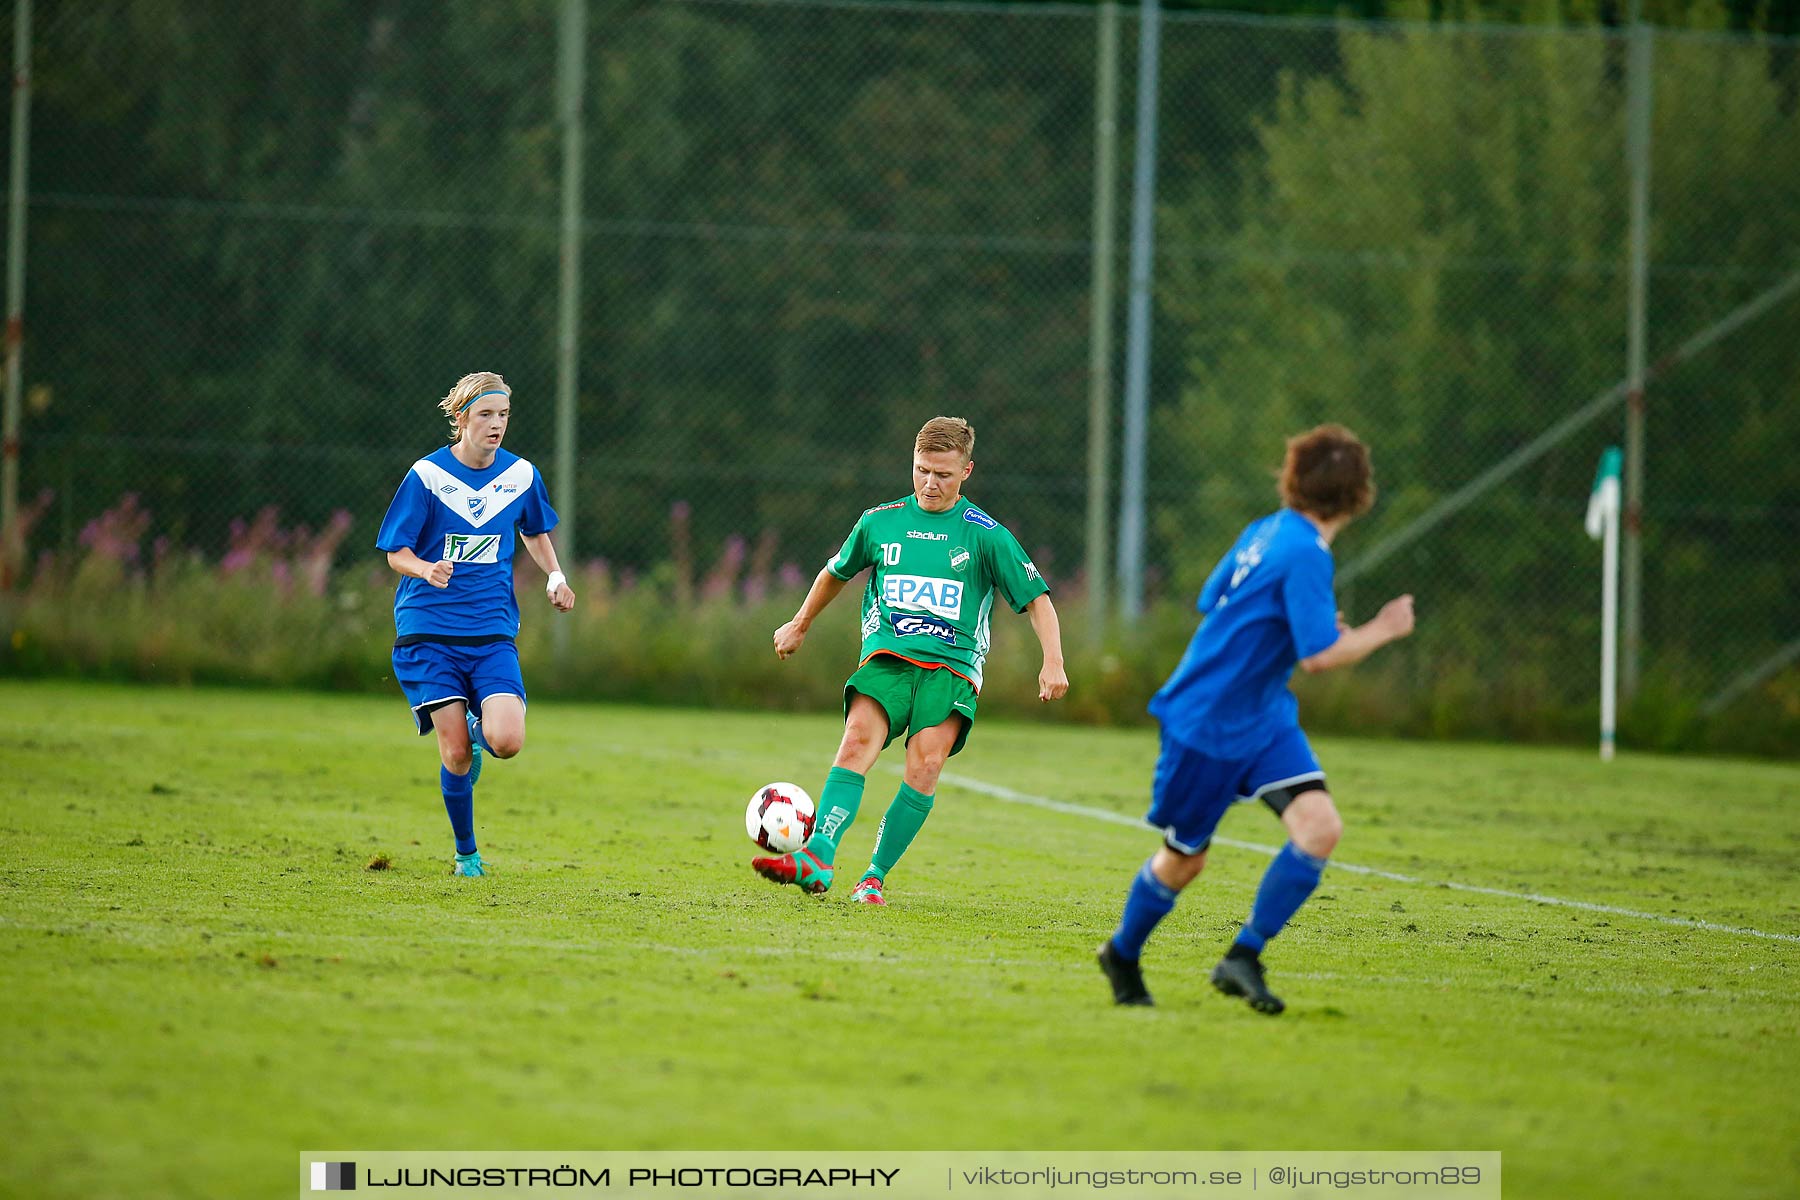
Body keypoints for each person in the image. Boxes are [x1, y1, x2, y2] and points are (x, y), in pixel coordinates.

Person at [1096, 424, 1414, 1013]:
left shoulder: (1267, 532)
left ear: (1293, 479)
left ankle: (1243, 955)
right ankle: (1122, 953)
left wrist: (1298, 621)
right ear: (1358, 496)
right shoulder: (1305, 554)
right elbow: (1319, 657)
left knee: (1320, 829)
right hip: (1206, 721)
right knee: (1186, 858)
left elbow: (1213, 598)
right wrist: (1380, 631)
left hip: (1264, 718)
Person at [752, 416, 1070, 903]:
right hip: (888, 659)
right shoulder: (880, 521)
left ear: (967, 470)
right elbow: (835, 572)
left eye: (943, 474)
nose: (929, 483)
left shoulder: (985, 535)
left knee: (925, 766)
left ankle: (873, 876)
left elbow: (1038, 600)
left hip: (953, 670)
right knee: (857, 740)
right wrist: (800, 623)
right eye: (921, 470)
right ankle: (817, 858)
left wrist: (1053, 661)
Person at [375, 372, 575, 877]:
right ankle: (467, 854)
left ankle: (473, 725)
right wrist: (425, 567)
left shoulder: (521, 475)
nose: (496, 425)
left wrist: (555, 575)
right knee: (458, 753)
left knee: (506, 741)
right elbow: (395, 553)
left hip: (490, 632)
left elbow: (534, 530)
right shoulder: (427, 477)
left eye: (503, 415)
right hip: (429, 631)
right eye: (485, 414)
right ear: (461, 418)